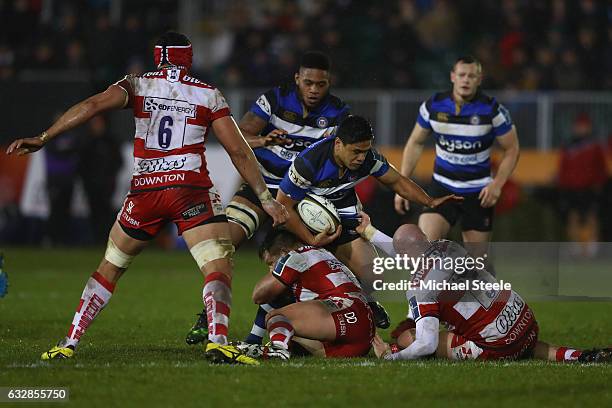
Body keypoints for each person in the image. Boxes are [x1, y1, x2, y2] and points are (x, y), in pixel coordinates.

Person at [5, 31, 288, 365]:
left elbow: (92, 105)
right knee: (218, 265)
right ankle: (218, 341)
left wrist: (44, 136)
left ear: (158, 57)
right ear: (189, 57)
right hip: (189, 190)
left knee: (109, 267)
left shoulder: (136, 85)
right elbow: (238, 151)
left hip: (145, 191)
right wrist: (266, 198)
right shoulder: (207, 94)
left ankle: (70, 341)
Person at [186, 51, 351, 345]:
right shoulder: (274, 100)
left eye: (321, 84)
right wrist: (263, 140)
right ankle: (208, 317)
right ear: (297, 79)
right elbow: (237, 136)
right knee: (224, 246)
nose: (314, 90)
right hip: (259, 187)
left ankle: (304, 322)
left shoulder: (339, 112)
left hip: (299, 195)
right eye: (309, 82)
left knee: (302, 260)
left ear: (329, 83)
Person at [275, 115, 462, 329]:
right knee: (285, 283)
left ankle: (364, 303)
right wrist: (311, 239)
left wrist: (429, 201)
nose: (361, 158)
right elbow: (283, 208)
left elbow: (398, 181)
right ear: (338, 144)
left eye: (365, 151)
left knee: (374, 277)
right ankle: (263, 332)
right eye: (356, 151)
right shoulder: (309, 162)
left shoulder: (368, 160)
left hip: (344, 216)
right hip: (304, 224)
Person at [355, 217, 612, 363]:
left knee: (408, 338)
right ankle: (579, 356)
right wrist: (368, 231)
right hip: (524, 320)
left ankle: (396, 350)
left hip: (499, 345)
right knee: (518, 339)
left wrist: (392, 356)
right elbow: (408, 250)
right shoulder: (447, 245)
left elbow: (426, 344)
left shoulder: (420, 288)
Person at [394, 56, 520, 261]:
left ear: (479, 79)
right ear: (453, 77)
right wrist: (402, 183)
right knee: (425, 252)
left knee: (476, 264)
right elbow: (415, 143)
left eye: (472, 76)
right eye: (462, 75)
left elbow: (512, 149)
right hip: (442, 187)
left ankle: (483, 285)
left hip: (478, 192)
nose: (466, 80)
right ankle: (431, 293)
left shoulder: (492, 110)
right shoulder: (434, 106)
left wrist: (497, 184)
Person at [240, 229, 375, 360]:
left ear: (284, 252)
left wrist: (275, 272)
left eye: (271, 263)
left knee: (276, 317)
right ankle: (253, 343)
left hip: (345, 313)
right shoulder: (322, 252)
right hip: (361, 333)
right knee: (288, 331)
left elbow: (258, 295)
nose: (270, 268)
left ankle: (278, 350)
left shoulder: (295, 256)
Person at [557, 113, 607, 256]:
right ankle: (575, 248)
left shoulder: (594, 146)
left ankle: (592, 248)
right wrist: (563, 184)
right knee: (573, 217)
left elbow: (600, 168)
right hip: (572, 188)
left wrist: (598, 184)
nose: (580, 129)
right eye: (578, 126)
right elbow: (563, 168)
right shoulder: (568, 146)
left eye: (583, 126)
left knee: (592, 216)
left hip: (589, 187)